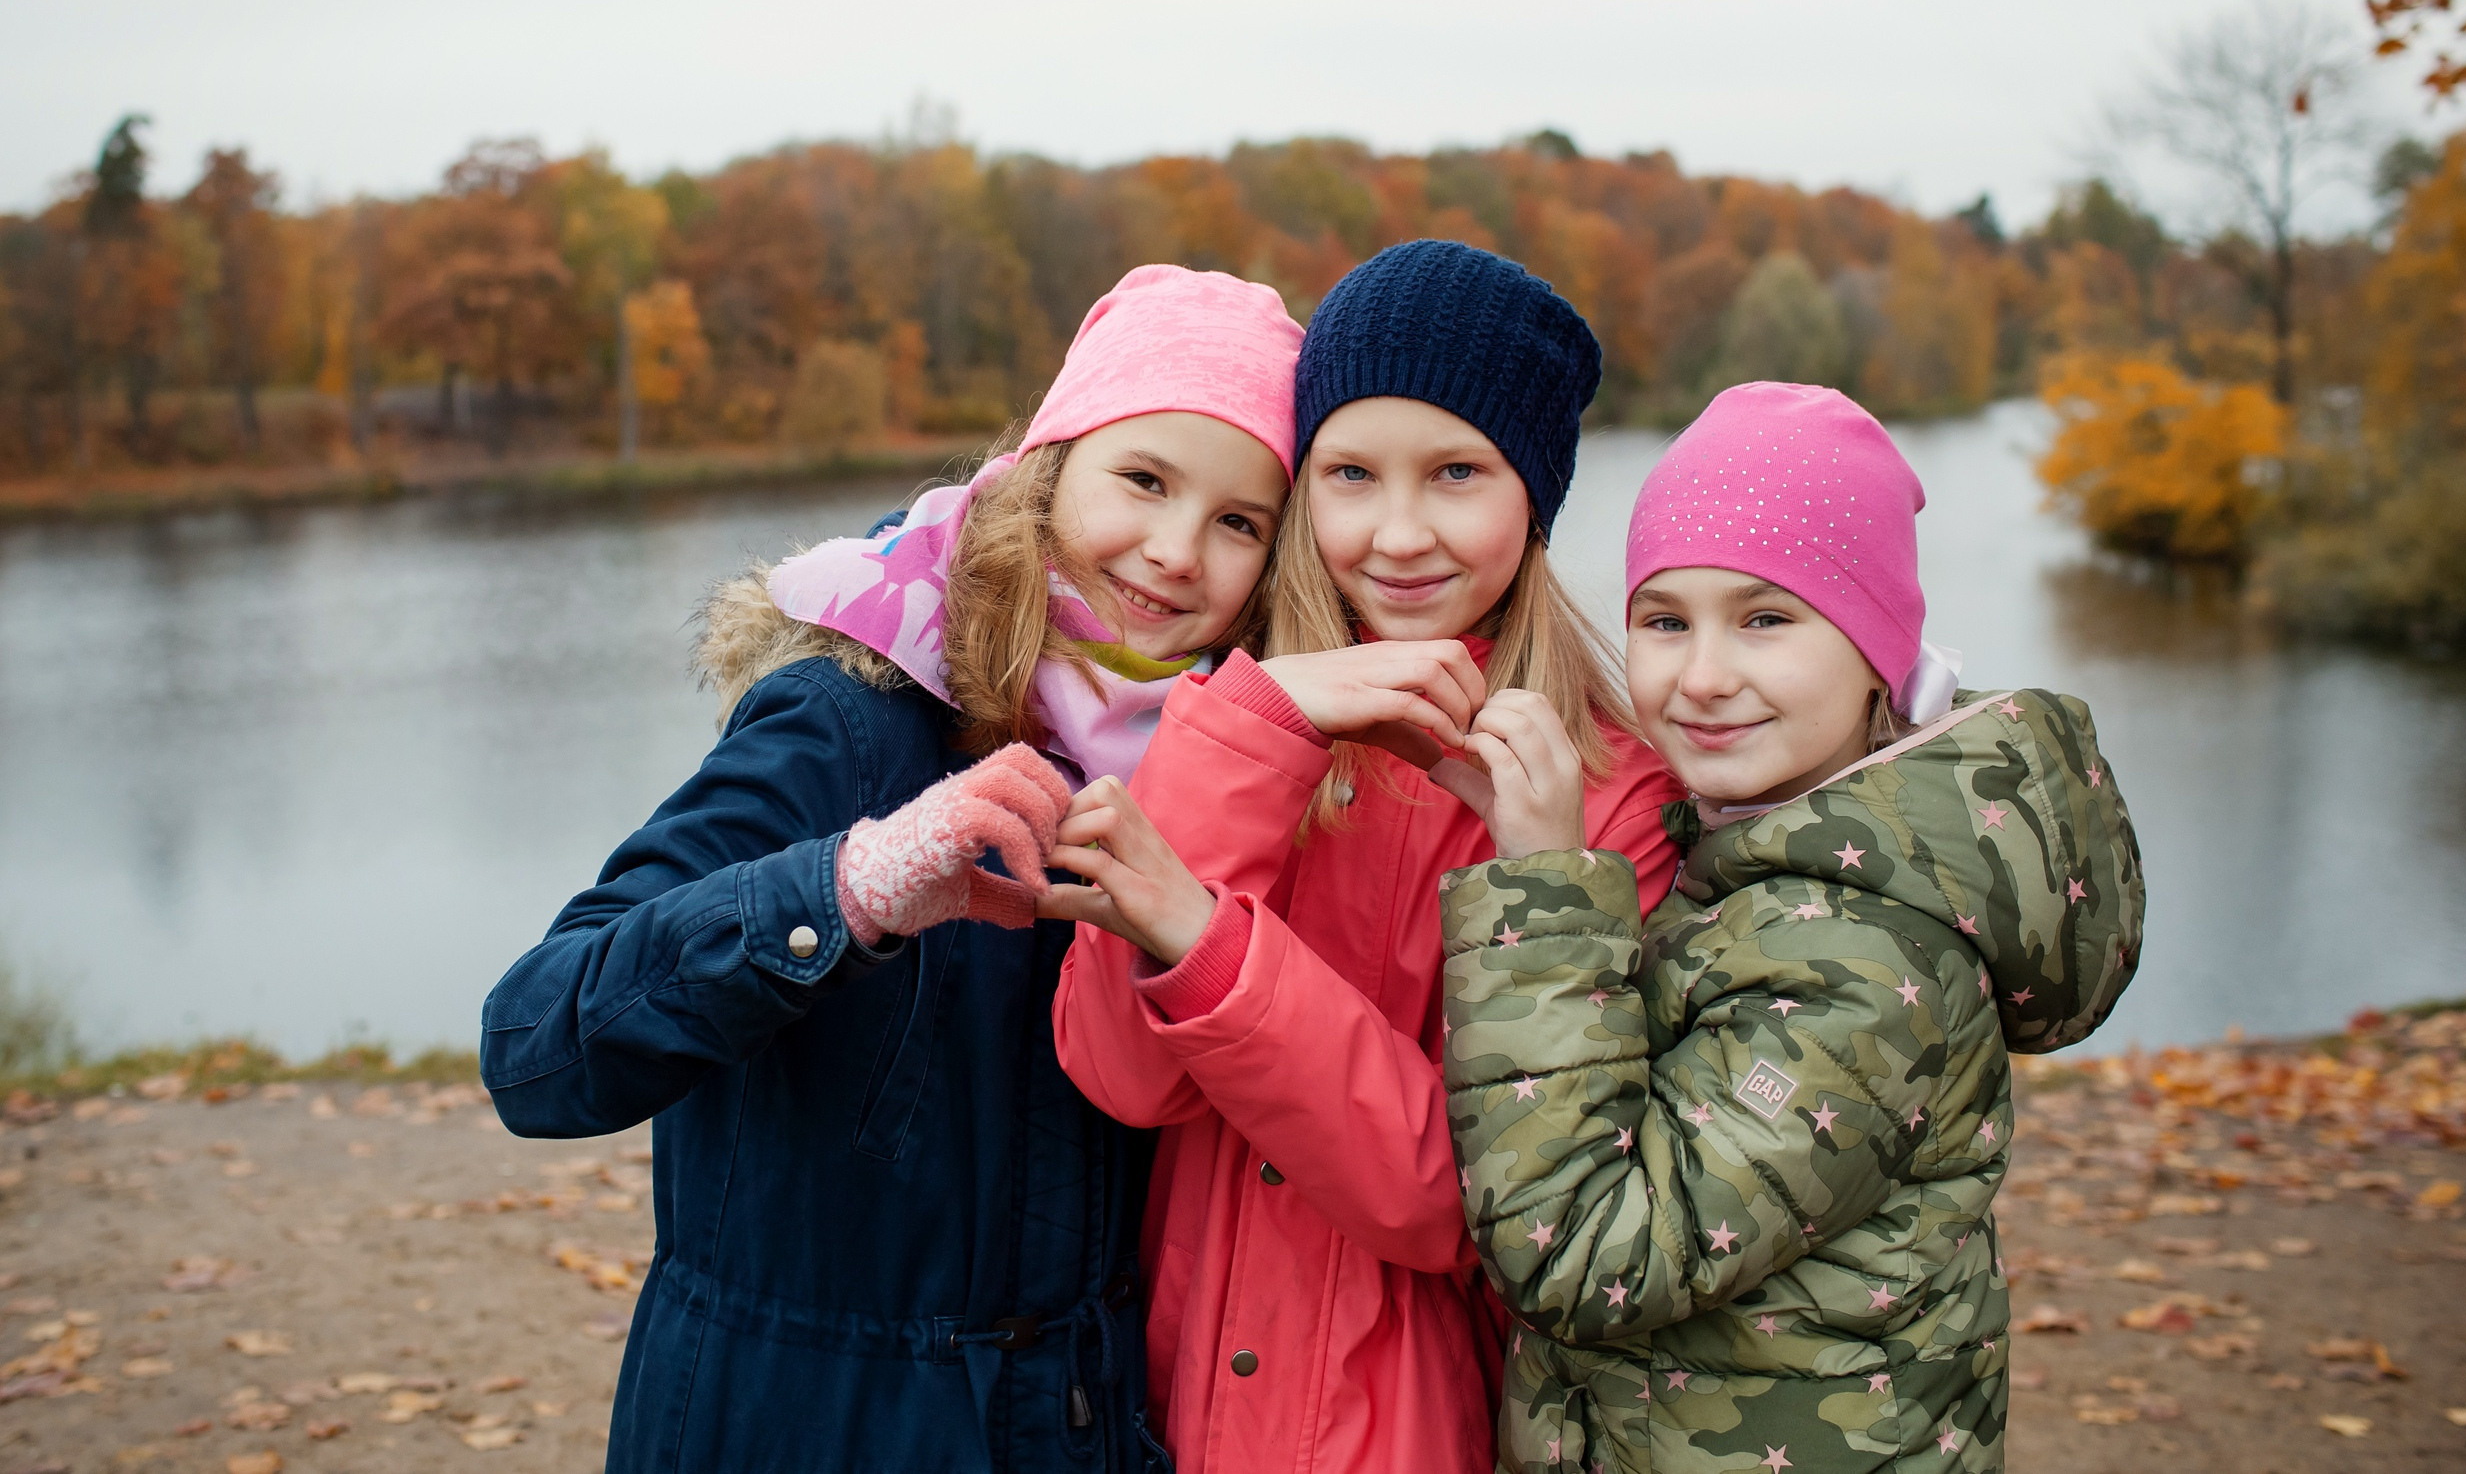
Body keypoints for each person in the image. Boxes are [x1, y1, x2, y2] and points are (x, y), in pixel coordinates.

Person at [478, 265, 1305, 1473]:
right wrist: (850, 890)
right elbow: (537, 1047)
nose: (1177, 552)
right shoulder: (850, 714)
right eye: (1143, 479)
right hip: (795, 1431)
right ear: (1047, 469)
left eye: (1239, 522)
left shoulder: (1222, 767)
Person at [1044, 240, 1687, 1474]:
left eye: (1457, 473)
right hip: (1168, 1403)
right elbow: (1120, 1078)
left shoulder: (1604, 799)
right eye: (1350, 473)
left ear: (1534, 497)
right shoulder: (1233, 718)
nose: (1398, 534)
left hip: (1397, 1431)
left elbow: (1464, 1201)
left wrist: (1209, 945)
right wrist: (1254, 728)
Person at [1433, 381, 2146, 1473]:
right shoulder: (1759, 870)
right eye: (1664, 621)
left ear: (1876, 652)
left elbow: (1586, 1256)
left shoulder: (1862, 962)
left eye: (1766, 619)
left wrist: (1543, 890)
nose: (1703, 676)